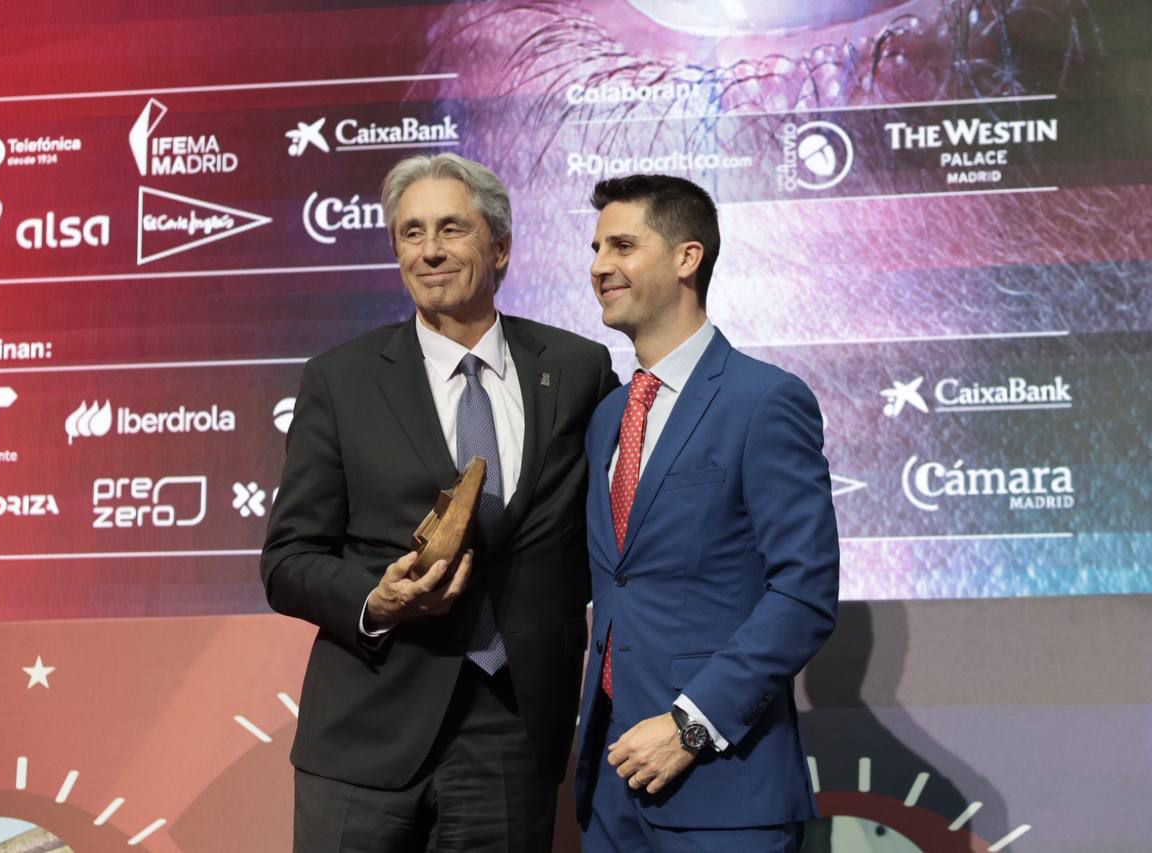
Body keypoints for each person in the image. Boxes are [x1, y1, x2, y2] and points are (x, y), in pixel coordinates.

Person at [261, 153, 618, 852]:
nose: (428, 250)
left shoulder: (578, 370)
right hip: (365, 733)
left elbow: (607, 531)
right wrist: (375, 600)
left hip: (513, 734)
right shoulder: (342, 379)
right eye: (410, 232)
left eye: (451, 228)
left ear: (501, 247)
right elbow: (288, 558)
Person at [575, 174, 840, 851]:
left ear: (687, 257)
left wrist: (691, 724)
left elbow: (804, 592)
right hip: (612, 787)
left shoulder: (765, 399)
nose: (601, 265)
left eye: (623, 245)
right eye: (598, 247)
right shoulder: (609, 416)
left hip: (724, 785)